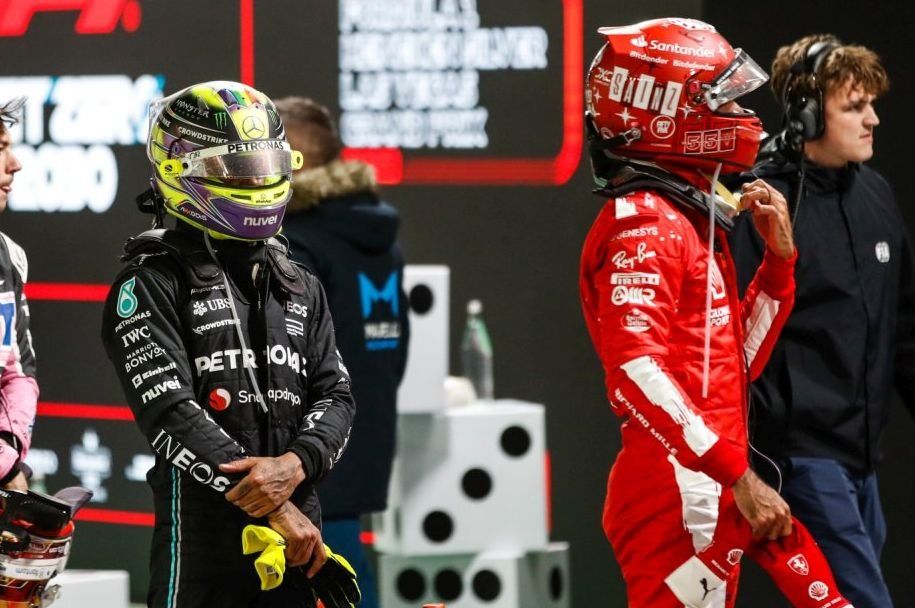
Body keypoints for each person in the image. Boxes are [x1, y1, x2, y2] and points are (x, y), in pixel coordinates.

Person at [580, 18, 852, 607]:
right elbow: (634, 372)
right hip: (683, 490)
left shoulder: (682, 215)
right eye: (721, 99)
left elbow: (730, 366)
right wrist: (739, 476)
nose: (743, 116)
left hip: (712, 481)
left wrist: (778, 266)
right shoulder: (646, 223)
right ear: (663, 108)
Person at [101, 81, 357, 608]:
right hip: (204, 544)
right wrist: (276, 507)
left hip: (299, 539)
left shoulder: (299, 281)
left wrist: (295, 467)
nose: (257, 181)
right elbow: (170, 411)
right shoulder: (149, 282)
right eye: (234, 170)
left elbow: (337, 396)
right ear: (180, 169)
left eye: (267, 165)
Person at [730, 34, 905, 607]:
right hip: (803, 457)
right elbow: (736, 337)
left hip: (863, 461)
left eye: (871, 104)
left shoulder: (876, 196)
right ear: (806, 114)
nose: (872, 118)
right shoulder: (764, 204)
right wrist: (749, 461)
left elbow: (904, 328)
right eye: (854, 107)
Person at [275, 96, 409, 608]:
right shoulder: (379, 238)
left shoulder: (298, 242)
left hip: (306, 455)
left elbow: (288, 363)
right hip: (360, 443)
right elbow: (392, 354)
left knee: (330, 584)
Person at [0, 97, 38, 494]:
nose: (16, 164)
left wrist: (10, 452)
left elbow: (18, 371)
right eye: (0, 150)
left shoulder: (9, 255)